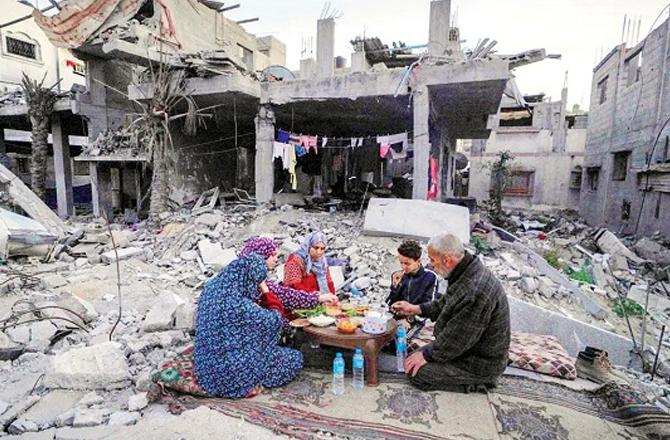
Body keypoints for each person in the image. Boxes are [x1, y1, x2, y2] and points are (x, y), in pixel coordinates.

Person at [392, 233, 510, 393]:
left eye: (433, 260)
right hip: (468, 347)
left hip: (479, 361)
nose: (430, 265)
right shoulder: (465, 270)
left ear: (447, 260)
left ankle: (480, 382)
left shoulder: (475, 291)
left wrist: (427, 355)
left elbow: (457, 340)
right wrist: (416, 308)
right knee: (413, 357)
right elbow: (445, 303)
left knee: (417, 373)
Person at [194, 253, 302, 398]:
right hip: (230, 375)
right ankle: (246, 383)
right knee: (294, 359)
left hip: (205, 368)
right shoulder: (240, 305)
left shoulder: (210, 289)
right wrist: (267, 293)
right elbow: (275, 320)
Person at [238, 237, 338, 318]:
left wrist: (323, 298)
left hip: (307, 301)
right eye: (272, 255)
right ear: (259, 256)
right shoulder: (295, 261)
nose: (276, 260)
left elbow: (281, 293)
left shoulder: (256, 278)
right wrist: (317, 298)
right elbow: (289, 291)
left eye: (322, 249)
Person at [386, 240, 438, 307]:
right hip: (399, 315)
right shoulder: (398, 275)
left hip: (418, 315)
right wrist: (395, 287)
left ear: (418, 261)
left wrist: (411, 315)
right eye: (401, 263)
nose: (403, 267)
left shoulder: (430, 277)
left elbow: (430, 306)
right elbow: (389, 304)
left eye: (407, 264)